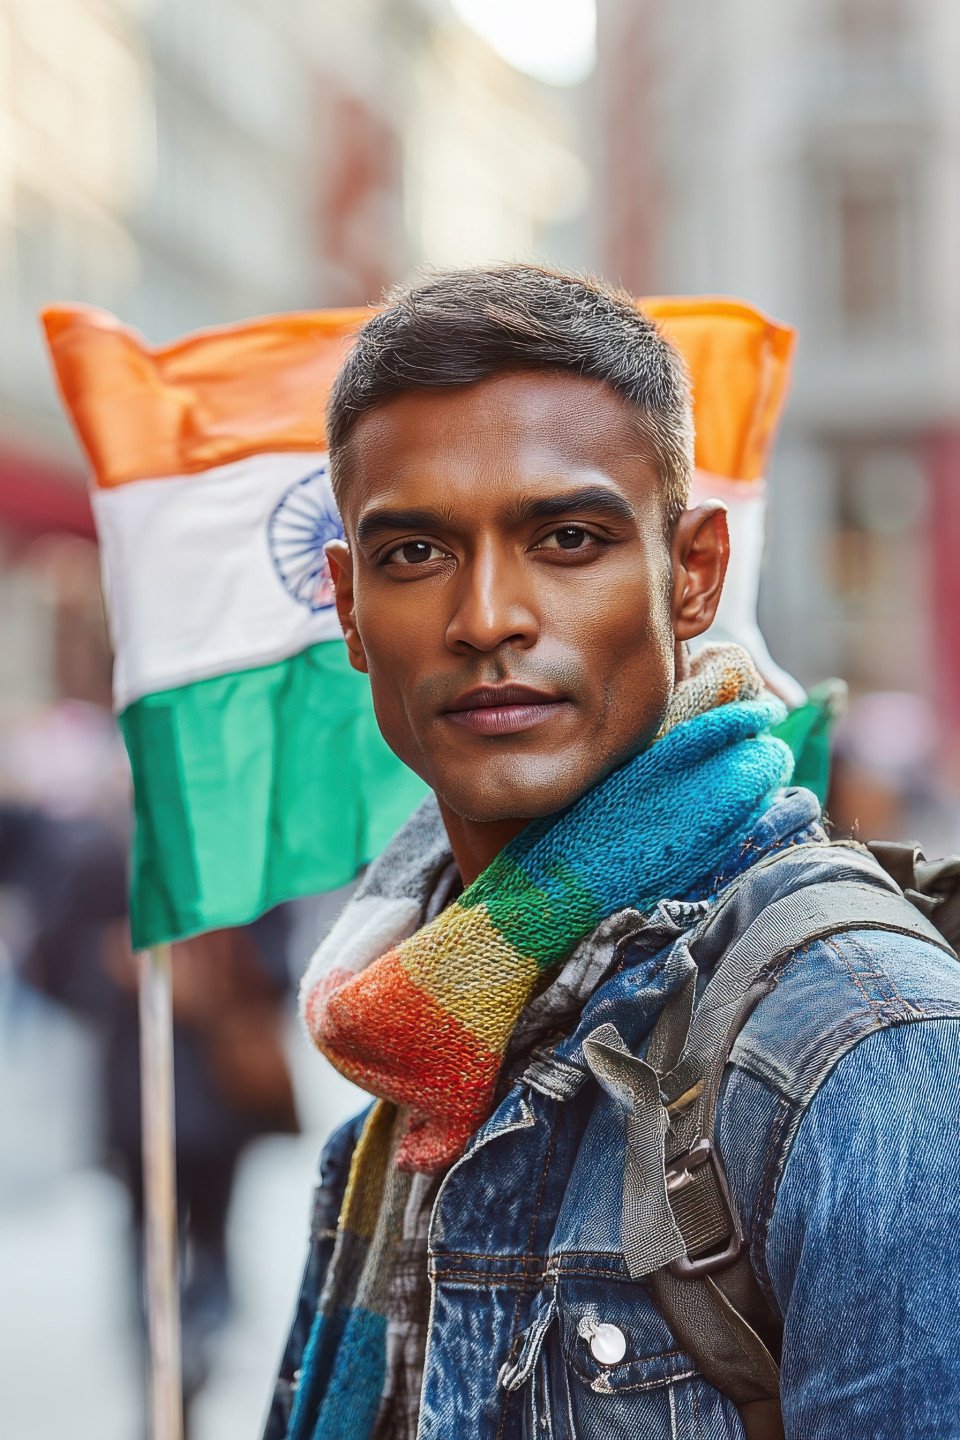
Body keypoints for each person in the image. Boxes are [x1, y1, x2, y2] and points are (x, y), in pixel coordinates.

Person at [264, 266, 960, 1440]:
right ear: (345, 603)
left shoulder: (865, 1046)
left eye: (568, 538)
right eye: (415, 555)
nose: (486, 616)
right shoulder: (415, 1028)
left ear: (689, 576)